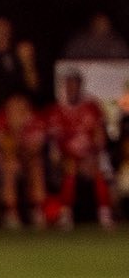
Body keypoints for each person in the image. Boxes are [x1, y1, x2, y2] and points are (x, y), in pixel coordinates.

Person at [42, 71, 116, 230]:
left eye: (75, 85)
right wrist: (64, 158)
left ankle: (105, 215)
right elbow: (53, 144)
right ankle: (66, 215)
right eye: (68, 85)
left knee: (98, 170)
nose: (72, 89)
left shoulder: (91, 107)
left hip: (90, 157)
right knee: (71, 167)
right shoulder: (56, 111)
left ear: (80, 86)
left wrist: (92, 153)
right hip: (67, 159)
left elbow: (100, 137)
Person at [0, 94, 49, 229]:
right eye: (12, 107)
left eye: (20, 106)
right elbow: (7, 149)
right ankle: (11, 213)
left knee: (36, 165)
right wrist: (16, 130)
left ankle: (38, 210)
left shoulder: (36, 120)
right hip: (1, 165)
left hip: (27, 161)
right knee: (9, 165)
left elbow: (35, 149)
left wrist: (20, 137)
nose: (15, 109)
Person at [63, 11, 129, 62]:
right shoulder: (79, 42)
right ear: (92, 25)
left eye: (104, 24)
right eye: (98, 24)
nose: (101, 27)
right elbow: (68, 61)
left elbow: (124, 63)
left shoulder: (117, 43)